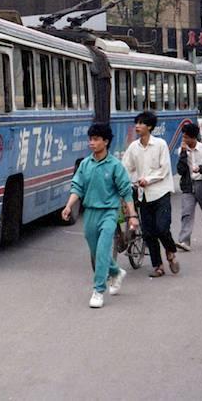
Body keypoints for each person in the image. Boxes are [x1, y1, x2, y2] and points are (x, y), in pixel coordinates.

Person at [61, 123, 137, 309]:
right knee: (96, 252)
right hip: (90, 212)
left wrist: (132, 215)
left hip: (109, 212)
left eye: (96, 139)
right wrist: (69, 206)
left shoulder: (115, 165)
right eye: (90, 139)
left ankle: (98, 290)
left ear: (106, 141)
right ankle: (116, 272)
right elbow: (77, 187)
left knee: (103, 250)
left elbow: (126, 191)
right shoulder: (85, 164)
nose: (92, 143)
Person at [121, 111, 179, 277]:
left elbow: (164, 169)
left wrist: (148, 179)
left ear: (150, 127)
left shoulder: (160, 144)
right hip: (143, 195)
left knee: (162, 228)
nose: (137, 126)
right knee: (148, 233)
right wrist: (121, 181)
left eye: (141, 123)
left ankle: (170, 251)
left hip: (161, 192)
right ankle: (158, 266)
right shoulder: (134, 147)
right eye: (136, 123)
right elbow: (125, 167)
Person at [175, 123, 202, 250]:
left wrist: (201, 169)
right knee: (186, 213)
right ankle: (184, 241)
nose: (184, 140)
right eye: (183, 137)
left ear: (193, 138)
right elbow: (180, 170)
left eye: (186, 137)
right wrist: (183, 153)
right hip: (188, 185)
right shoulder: (182, 150)